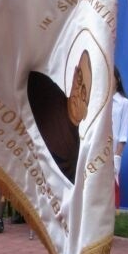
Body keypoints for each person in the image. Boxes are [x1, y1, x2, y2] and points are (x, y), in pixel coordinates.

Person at [27, 50, 93, 184]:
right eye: (79, 79)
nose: (78, 92)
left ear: (87, 109)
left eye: (84, 94)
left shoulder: (78, 149)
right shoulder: (49, 94)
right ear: (74, 75)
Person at [112, 66, 128, 207]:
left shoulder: (123, 104)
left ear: (117, 80)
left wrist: (116, 157)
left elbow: (123, 136)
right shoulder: (97, 102)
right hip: (93, 154)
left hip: (110, 156)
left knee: (110, 196)